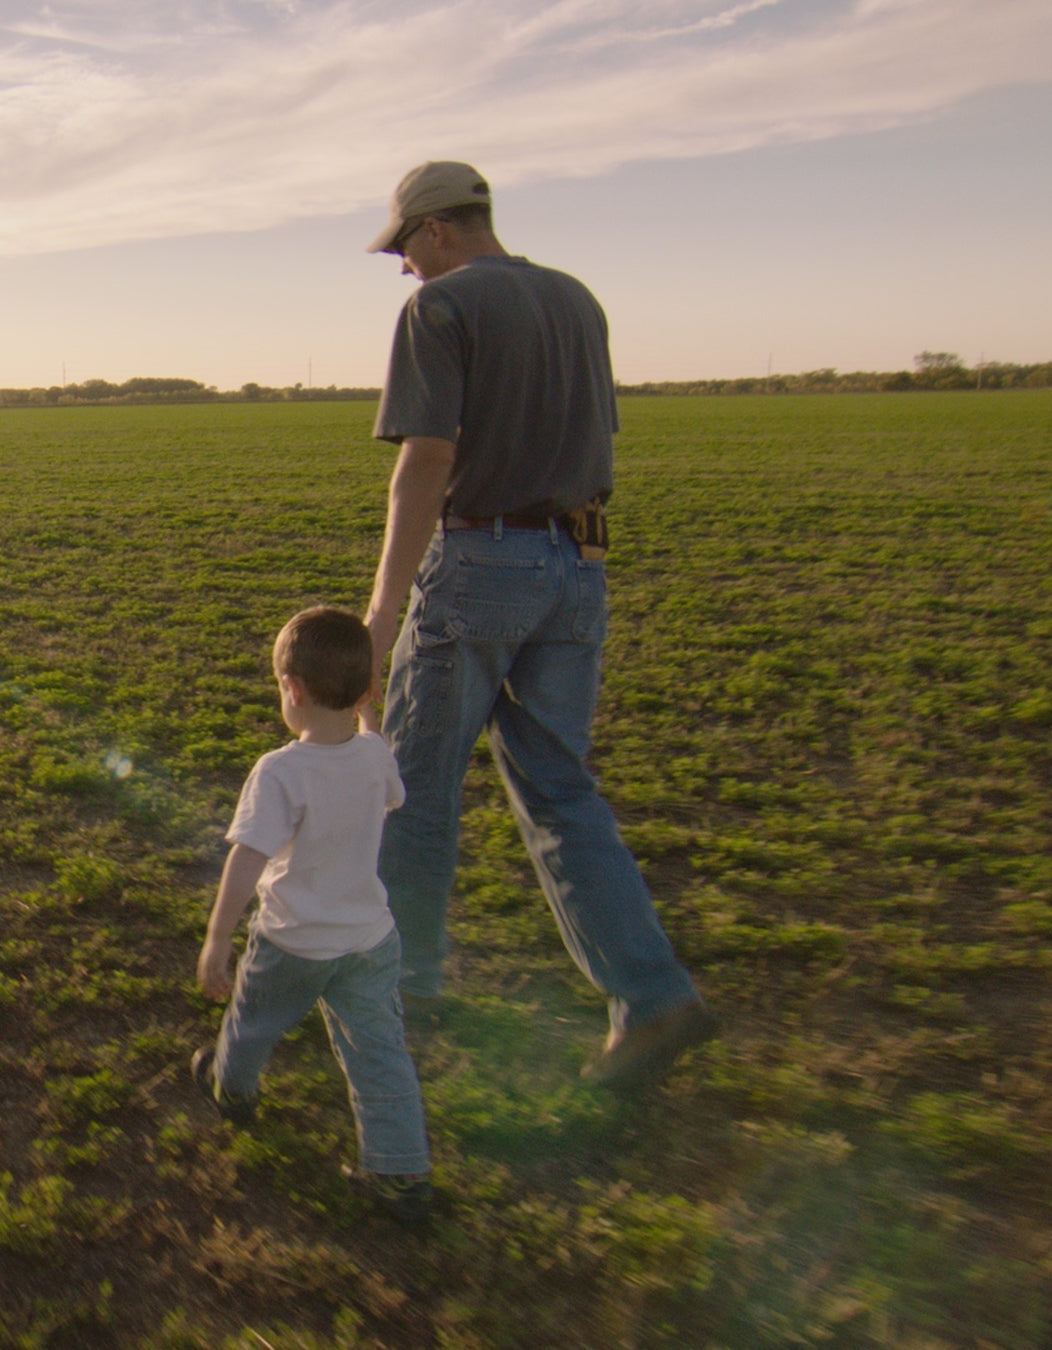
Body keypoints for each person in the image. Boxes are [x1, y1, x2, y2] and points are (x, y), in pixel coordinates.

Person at [358, 160, 717, 1090]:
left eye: (404, 246)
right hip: (580, 563)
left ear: (437, 228)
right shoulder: (576, 299)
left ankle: (401, 983)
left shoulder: (439, 311)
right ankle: (652, 994)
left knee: (415, 785)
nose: (403, 268)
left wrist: (381, 611)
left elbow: (427, 461)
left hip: (483, 561)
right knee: (560, 788)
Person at [192, 605, 433, 1224]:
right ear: (364, 693)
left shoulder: (281, 771)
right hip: (370, 941)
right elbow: (388, 788)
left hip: (293, 943)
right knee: (380, 1050)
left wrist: (218, 937)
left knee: (252, 1022)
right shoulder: (376, 755)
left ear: (291, 691)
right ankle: (401, 1167)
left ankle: (231, 1089)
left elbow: (247, 860)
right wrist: (369, 715)